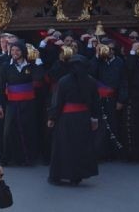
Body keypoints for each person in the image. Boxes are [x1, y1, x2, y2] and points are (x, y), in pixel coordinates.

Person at [47, 54, 100, 185]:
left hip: (67, 119)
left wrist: (52, 117)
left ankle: (58, 176)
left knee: (63, 147)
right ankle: (76, 176)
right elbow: (95, 102)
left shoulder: (64, 81)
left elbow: (57, 102)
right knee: (81, 147)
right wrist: (94, 118)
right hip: (83, 118)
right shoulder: (91, 81)